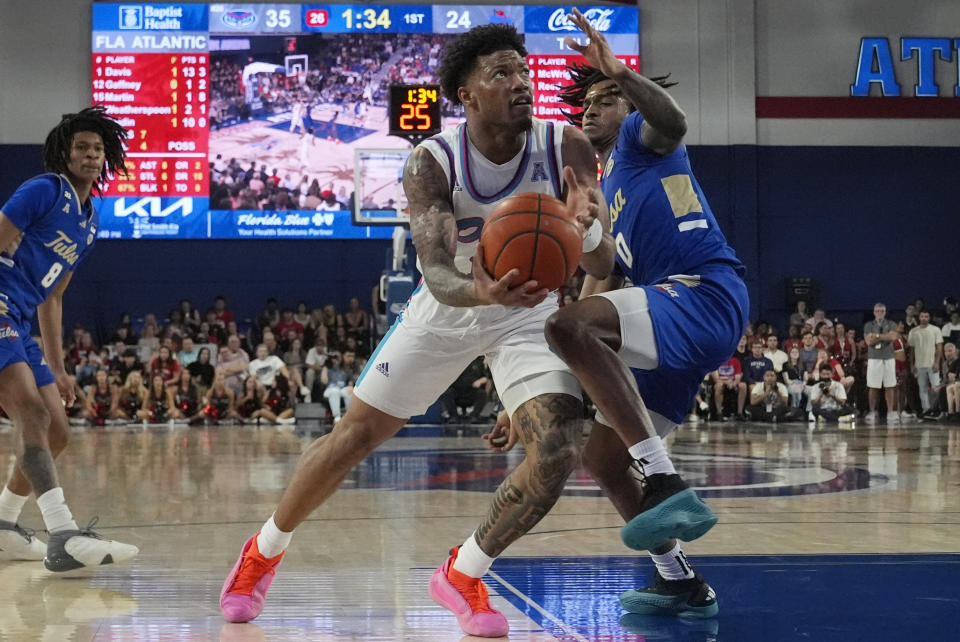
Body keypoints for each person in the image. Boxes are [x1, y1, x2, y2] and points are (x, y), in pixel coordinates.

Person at [219, 23, 613, 638]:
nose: (520, 82)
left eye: (522, 69)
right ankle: (263, 551)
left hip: (529, 313)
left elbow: (601, 261)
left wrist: (586, 223)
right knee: (352, 439)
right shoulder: (431, 161)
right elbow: (433, 270)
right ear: (467, 94)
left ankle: (465, 571)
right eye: (500, 73)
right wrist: (478, 289)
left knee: (559, 445)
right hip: (451, 305)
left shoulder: (565, 144)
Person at [541, 8, 748, 618]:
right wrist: (546, 397)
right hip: (673, 315)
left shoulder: (642, 143)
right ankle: (678, 578)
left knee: (566, 326)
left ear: (629, 107)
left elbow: (674, 119)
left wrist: (620, 75)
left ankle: (664, 479)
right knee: (601, 456)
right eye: (589, 99)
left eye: (608, 97)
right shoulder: (606, 195)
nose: (594, 106)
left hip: (704, 291)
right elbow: (594, 291)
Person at [0, 106, 138, 569]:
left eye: (98, 149)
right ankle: (62, 534)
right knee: (32, 415)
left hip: (21, 318)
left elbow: (53, 298)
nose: (91, 155)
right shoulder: (45, 189)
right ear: (65, 152)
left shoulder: (90, 223)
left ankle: (3, 524)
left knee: (58, 431)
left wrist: (58, 367)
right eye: (81, 147)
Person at [863, 303, 899, 424]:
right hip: (874, 358)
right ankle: (872, 411)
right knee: (873, 386)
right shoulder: (868, 325)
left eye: (882, 311)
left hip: (889, 358)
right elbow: (868, 341)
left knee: (890, 385)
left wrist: (877, 336)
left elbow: (893, 337)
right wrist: (885, 336)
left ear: (885, 312)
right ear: (874, 312)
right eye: (877, 311)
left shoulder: (891, 323)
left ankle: (890, 412)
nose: (879, 313)